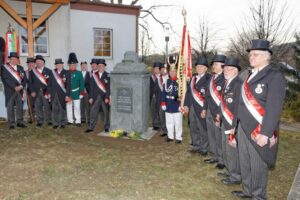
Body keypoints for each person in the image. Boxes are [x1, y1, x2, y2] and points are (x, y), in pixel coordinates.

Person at [232, 39, 286, 199]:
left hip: (258, 129)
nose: (251, 57)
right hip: (243, 128)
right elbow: (240, 104)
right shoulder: (247, 75)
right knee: (245, 161)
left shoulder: (274, 76)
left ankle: (258, 195)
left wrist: (266, 133)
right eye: (250, 54)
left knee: (257, 164)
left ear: (266, 57)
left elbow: (274, 108)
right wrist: (235, 127)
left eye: (255, 54)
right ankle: (247, 190)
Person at [217, 58, 243, 186]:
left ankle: (235, 176)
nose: (226, 70)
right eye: (225, 68)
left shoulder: (238, 84)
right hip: (225, 122)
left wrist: (234, 127)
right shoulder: (227, 82)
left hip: (232, 123)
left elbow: (238, 107)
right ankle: (229, 170)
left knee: (232, 150)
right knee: (226, 148)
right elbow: (223, 102)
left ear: (237, 71)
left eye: (230, 68)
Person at [184, 57, 211, 156]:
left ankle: (204, 148)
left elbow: (208, 96)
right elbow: (188, 93)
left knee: (202, 128)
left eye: (201, 67)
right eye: (198, 67)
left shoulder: (209, 78)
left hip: (202, 107)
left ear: (206, 68)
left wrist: (205, 109)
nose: (199, 68)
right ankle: (196, 145)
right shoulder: (193, 78)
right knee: (193, 127)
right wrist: (186, 105)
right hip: (192, 107)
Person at [204, 54, 227, 168]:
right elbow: (207, 96)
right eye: (213, 64)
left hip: (218, 112)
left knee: (219, 137)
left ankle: (221, 160)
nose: (213, 66)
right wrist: (204, 109)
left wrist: (219, 113)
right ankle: (214, 156)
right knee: (211, 135)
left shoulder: (225, 79)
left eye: (216, 64)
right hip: (209, 111)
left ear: (222, 67)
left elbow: (224, 100)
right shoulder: (211, 78)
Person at [1, 52, 27, 129]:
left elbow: (24, 79)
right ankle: (11, 123)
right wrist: (14, 87)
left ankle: (20, 122)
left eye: (15, 59)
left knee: (20, 106)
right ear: (9, 59)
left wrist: (21, 86)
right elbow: (5, 79)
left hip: (20, 90)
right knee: (10, 107)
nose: (14, 60)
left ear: (17, 60)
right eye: (12, 59)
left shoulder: (21, 68)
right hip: (10, 90)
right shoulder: (4, 67)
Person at [161, 55, 182, 143]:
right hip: (168, 105)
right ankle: (170, 136)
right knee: (169, 122)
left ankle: (178, 138)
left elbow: (183, 94)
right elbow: (163, 93)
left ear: (177, 72)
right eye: (171, 71)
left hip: (176, 105)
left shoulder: (180, 82)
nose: (172, 73)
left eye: (174, 71)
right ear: (169, 72)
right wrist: (163, 103)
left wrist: (181, 104)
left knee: (178, 123)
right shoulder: (167, 82)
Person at [85, 59, 110, 133]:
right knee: (93, 112)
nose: (100, 67)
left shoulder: (108, 75)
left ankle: (106, 127)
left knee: (106, 113)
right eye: (99, 66)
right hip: (95, 97)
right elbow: (91, 87)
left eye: (102, 66)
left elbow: (108, 88)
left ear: (104, 66)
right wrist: (90, 97)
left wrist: (107, 97)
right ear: (97, 66)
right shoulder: (94, 76)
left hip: (104, 97)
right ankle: (91, 127)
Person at [29, 55, 52, 127]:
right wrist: (32, 91)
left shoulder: (49, 71)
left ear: (43, 63)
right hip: (36, 92)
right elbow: (30, 83)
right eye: (37, 62)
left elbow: (51, 83)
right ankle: (39, 121)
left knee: (47, 106)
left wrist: (49, 92)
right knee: (37, 106)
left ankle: (48, 120)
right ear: (35, 63)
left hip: (46, 92)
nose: (38, 63)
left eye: (40, 61)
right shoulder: (32, 71)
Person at [48, 58, 69, 129]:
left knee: (62, 108)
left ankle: (63, 123)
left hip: (62, 94)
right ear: (56, 65)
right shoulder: (52, 72)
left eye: (60, 64)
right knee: (54, 109)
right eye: (57, 64)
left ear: (62, 65)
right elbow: (49, 84)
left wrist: (67, 95)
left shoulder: (66, 72)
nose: (59, 66)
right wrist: (49, 93)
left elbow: (69, 85)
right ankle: (55, 123)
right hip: (54, 94)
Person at [65, 52, 85, 126]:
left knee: (77, 107)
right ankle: (70, 120)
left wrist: (81, 92)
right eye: (71, 65)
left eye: (74, 65)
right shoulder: (66, 72)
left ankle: (78, 121)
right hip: (68, 93)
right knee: (68, 106)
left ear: (76, 65)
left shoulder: (79, 73)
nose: (72, 66)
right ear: (69, 65)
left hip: (76, 92)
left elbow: (82, 83)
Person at [150, 62, 161, 131]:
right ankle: (155, 124)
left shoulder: (162, 77)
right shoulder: (150, 77)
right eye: (155, 68)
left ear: (160, 69)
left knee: (159, 110)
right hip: (152, 97)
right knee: (153, 110)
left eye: (157, 68)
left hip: (159, 97)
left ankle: (160, 124)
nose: (156, 70)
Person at [25, 57, 35, 123]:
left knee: (38, 104)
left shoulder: (37, 71)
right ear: (28, 64)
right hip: (29, 91)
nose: (31, 64)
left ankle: (40, 117)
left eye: (32, 63)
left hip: (37, 91)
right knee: (30, 105)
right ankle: (31, 118)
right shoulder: (25, 72)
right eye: (29, 63)